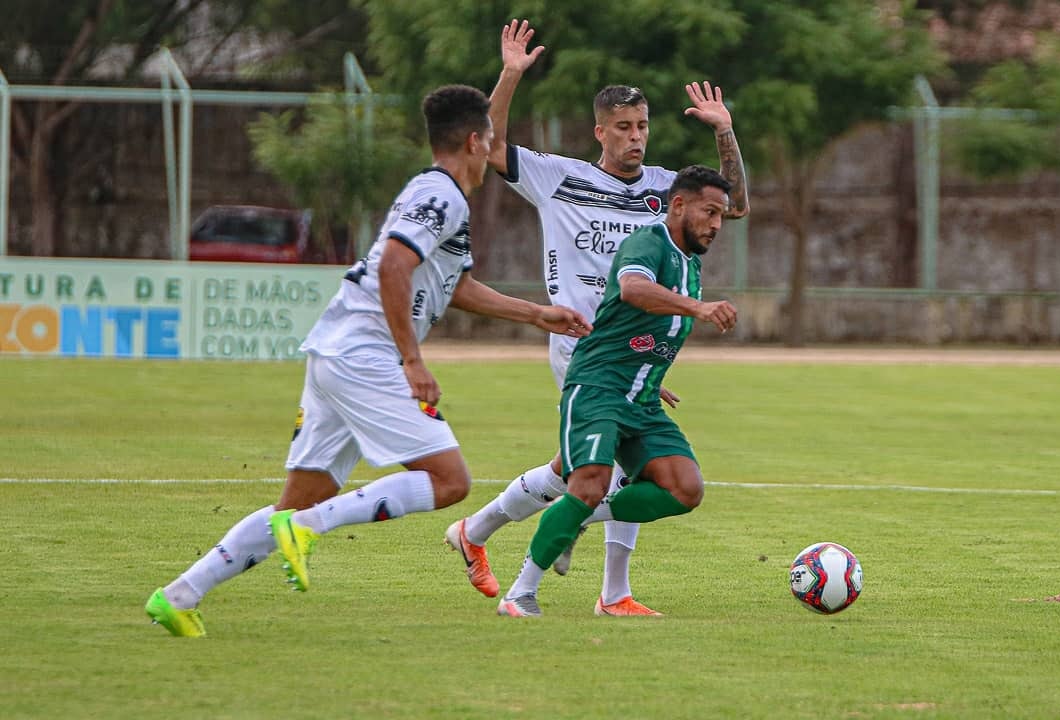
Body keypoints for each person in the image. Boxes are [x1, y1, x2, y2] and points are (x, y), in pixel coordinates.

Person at [144, 83, 592, 637]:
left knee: (296, 501)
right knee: (450, 481)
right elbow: (393, 267)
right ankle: (307, 528)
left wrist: (536, 314)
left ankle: (181, 593)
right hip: (365, 353)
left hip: (337, 349)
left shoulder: (440, 195)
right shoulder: (442, 195)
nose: (493, 148)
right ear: (476, 141)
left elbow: (456, 285)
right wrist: (411, 360)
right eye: (491, 138)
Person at [444, 19, 749, 616]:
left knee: (573, 472)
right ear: (600, 132)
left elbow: (732, 204)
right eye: (624, 128)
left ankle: (477, 531)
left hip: (636, 343)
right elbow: (493, 145)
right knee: (599, 471)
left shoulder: (668, 192)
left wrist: (724, 134)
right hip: (577, 337)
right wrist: (509, 75)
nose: (636, 138)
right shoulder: (562, 178)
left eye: (643, 127)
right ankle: (609, 591)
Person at [496, 164, 737, 617]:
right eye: (710, 212)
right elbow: (632, 289)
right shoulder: (649, 242)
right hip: (598, 386)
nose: (717, 224)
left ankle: (578, 517)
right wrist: (699, 308)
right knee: (588, 481)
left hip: (641, 398)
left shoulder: (689, 260)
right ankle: (520, 593)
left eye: (721, 215)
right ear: (679, 205)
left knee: (685, 489)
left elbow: (648, 330)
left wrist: (725, 130)